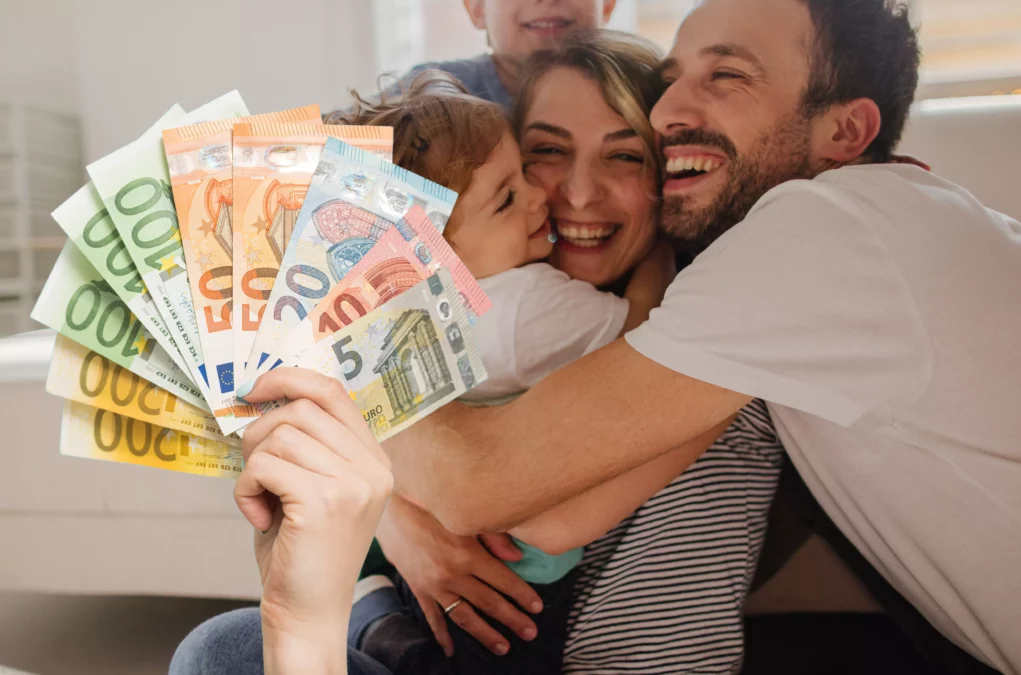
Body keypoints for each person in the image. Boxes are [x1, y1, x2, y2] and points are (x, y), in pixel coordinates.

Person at [373, 1, 1021, 674]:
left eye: (727, 76)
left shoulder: (819, 231)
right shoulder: (873, 225)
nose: (666, 111)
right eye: (674, 77)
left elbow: (502, 496)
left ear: (845, 128)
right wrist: (386, 509)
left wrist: (356, 418)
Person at [401, 0, 618, 109]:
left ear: (607, 5)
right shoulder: (428, 92)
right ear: (478, 8)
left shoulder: (640, 91)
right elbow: (367, 181)